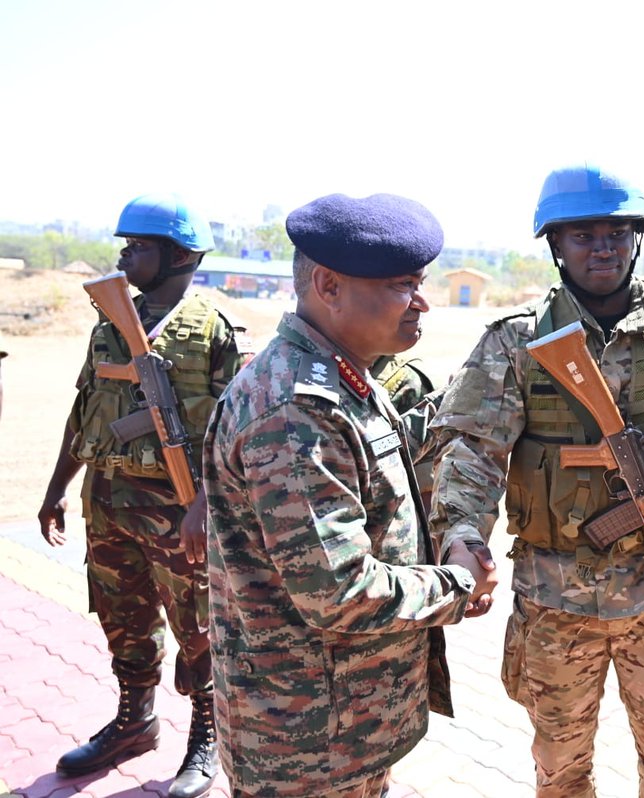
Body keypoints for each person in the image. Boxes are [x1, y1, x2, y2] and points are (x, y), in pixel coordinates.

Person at [426, 163, 644, 797]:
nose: (602, 247)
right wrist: (461, 538)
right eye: (582, 234)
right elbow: (471, 453)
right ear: (555, 244)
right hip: (554, 600)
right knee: (560, 774)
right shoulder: (519, 341)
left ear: (637, 237)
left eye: (615, 232)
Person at [203, 192, 499, 798]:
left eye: (419, 282)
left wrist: (471, 400)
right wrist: (457, 582)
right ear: (328, 285)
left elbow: (376, 456)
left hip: (342, 725)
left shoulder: (337, 374)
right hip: (306, 745)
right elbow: (338, 593)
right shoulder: (295, 410)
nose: (421, 302)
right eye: (400, 285)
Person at [37, 193, 250, 798]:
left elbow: (236, 432)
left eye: (139, 247)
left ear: (180, 255)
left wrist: (205, 506)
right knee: (123, 620)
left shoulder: (216, 328)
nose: (125, 256)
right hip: (107, 502)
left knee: (200, 630)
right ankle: (135, 721)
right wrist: (59, 488)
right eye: (124, 246)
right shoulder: (110, 320)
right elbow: (86, 413)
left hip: (177, 510)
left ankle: (207, 739)